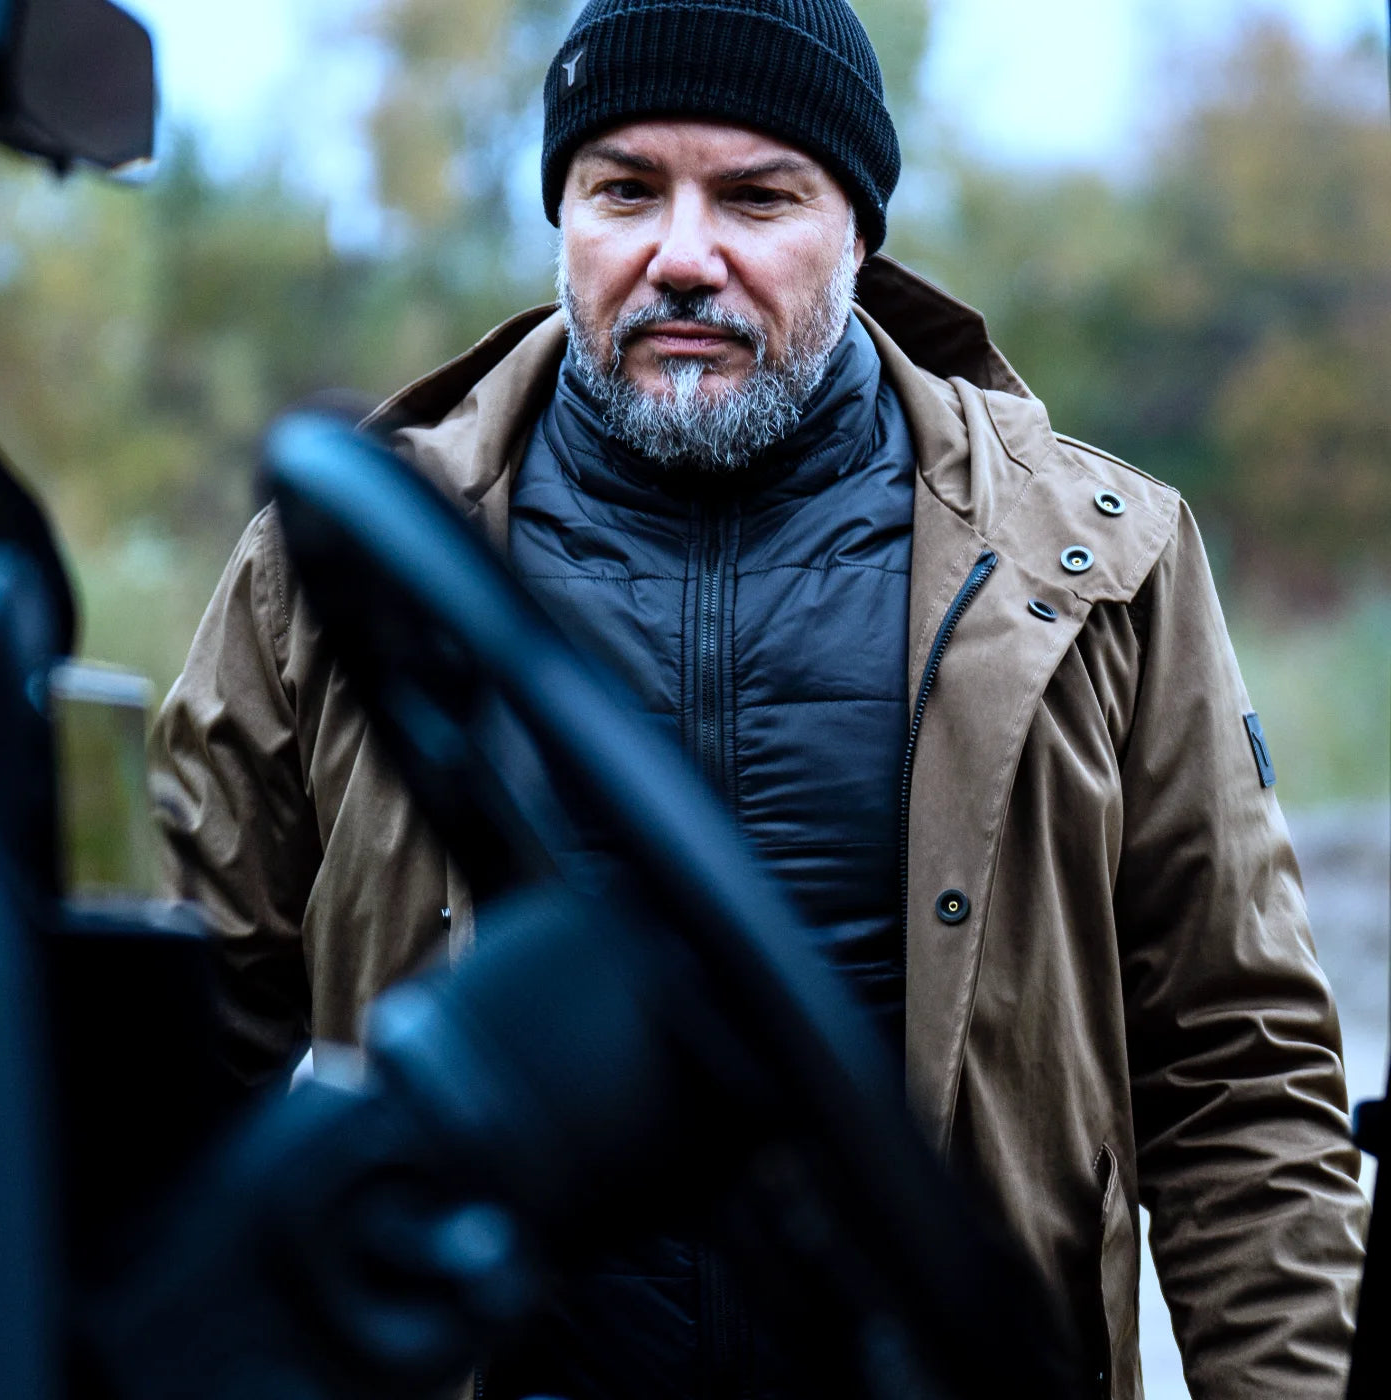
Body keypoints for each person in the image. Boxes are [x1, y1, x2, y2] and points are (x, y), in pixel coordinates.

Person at [149, 1, 1367, 1396]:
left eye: (755, 195)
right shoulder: (350, 575)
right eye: (624, 190)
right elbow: (164, 1062)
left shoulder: (1099, 566)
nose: (680, 255)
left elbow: (1240, 1084)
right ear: (564, 220)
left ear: (858, 229)